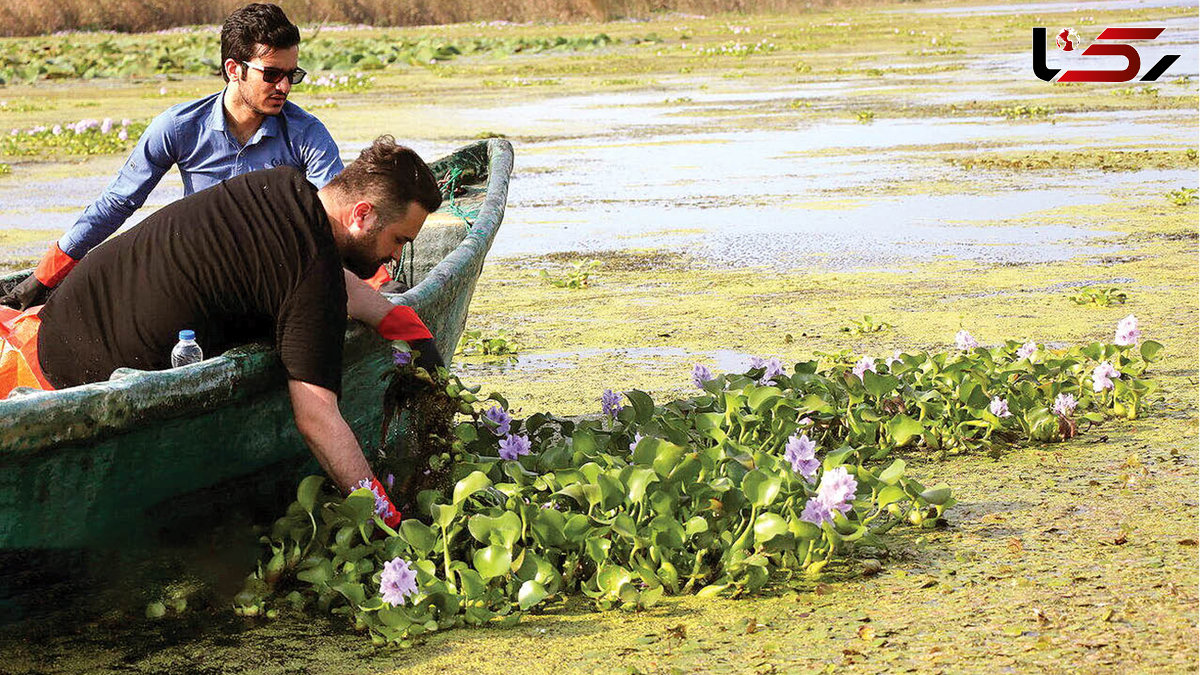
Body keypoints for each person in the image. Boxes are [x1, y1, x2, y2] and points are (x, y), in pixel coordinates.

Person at [0, 136, 441, 526]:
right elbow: (317, 418)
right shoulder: (311, 277)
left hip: (44, 329)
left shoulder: (280, 187)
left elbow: (307, 269)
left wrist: (390, 316)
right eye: (399, 240)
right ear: (361, 215)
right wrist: (385, 514)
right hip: (66, 386)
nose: (394, 259)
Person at [0, 3, 393, 310]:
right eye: (272, 74)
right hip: (201, 271)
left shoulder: (307, 133)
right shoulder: (178, 126)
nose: (285, 86)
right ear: (233, 69)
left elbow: (337, 216)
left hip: (280, 274)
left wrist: (371, 279)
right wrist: (46, 275)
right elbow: (118, 203)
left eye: (293, 74)